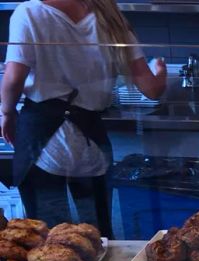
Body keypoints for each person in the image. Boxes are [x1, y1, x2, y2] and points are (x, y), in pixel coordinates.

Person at [1, 0, 166, 237]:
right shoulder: (110, 15)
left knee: (49, 237)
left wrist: (6, 113)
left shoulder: (29, 13)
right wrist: (160, 72)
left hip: (44, 143)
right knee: (98, 236)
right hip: (90, 141)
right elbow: (152, 89)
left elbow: (14, 78)